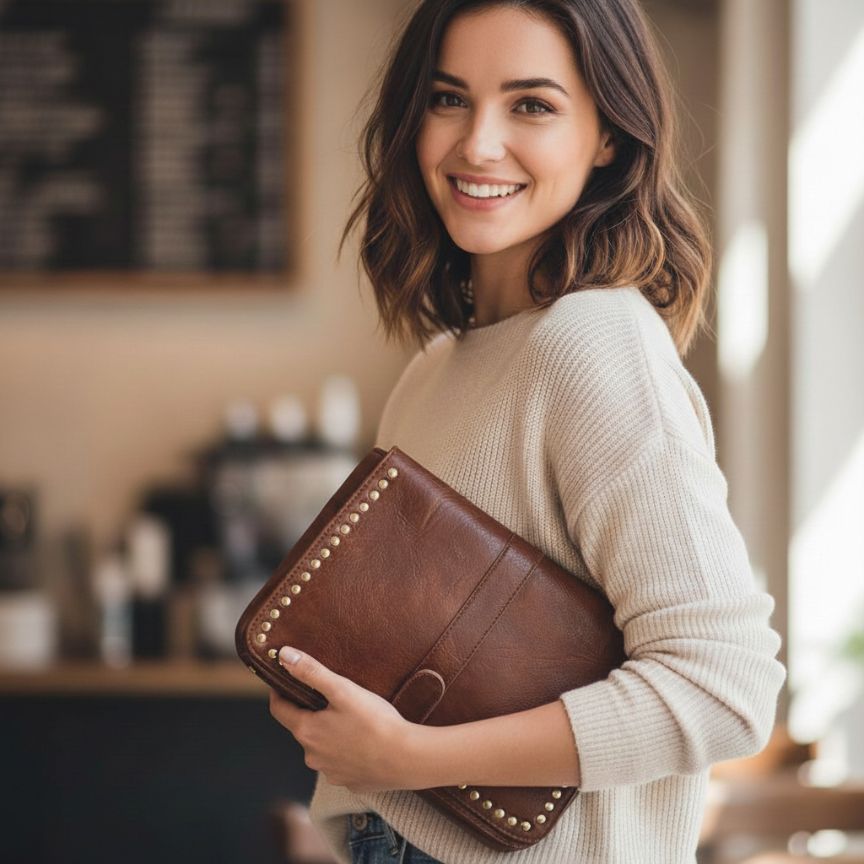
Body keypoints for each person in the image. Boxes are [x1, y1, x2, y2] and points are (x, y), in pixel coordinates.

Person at [267, 1, 787, 862]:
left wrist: (412, 760)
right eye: (448, 99)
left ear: (609, 136)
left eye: (532, 105)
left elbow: (723, 685)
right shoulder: (435, 370)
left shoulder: (596, 346)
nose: (478, 144)